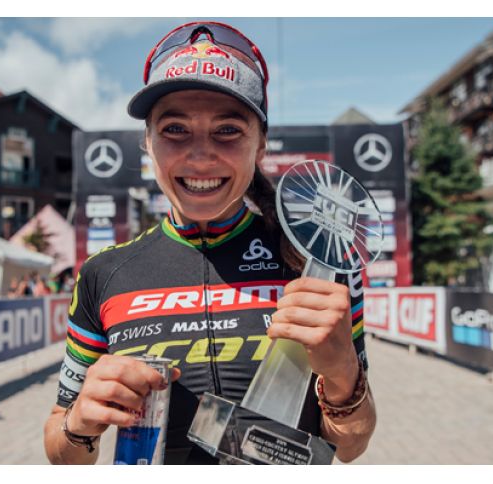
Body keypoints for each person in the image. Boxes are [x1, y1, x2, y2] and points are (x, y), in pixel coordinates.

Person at [43, 21, 376, 465]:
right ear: (147, 143)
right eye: (175, 129)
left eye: (228, 130)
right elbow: (60, 451)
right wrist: (80, 421)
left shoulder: (319, 264)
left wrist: (343, 373)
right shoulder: (103, 275)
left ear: (261, 146)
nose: (200, 155)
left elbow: (351, 446)